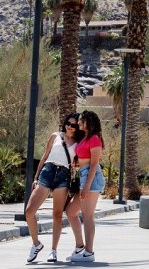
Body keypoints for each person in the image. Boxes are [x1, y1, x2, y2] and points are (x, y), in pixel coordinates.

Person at [25, 112, 84, 263]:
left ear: (78, 127)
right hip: (47, 171)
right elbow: (45, 156)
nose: (70, 127)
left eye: (74, 125)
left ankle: (53, 250)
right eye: (68, 124)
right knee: (29, 212)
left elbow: (79, 163)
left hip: (63, 176)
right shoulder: (55, 136)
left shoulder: (78, 143)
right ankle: (36, 244)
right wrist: (36, 177)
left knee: (57, 215)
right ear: (65, 124)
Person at [64, 110, 106, 262]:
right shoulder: (86, 137)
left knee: (88, 217)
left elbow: (94, 165)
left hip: (91, 178)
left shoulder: (95, 139)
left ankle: (89, 253)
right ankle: (80, 246)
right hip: (84, 176)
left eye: (81, 120)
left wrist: (86, 186)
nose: (79, 123)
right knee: (70, 212)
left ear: (89, 122)